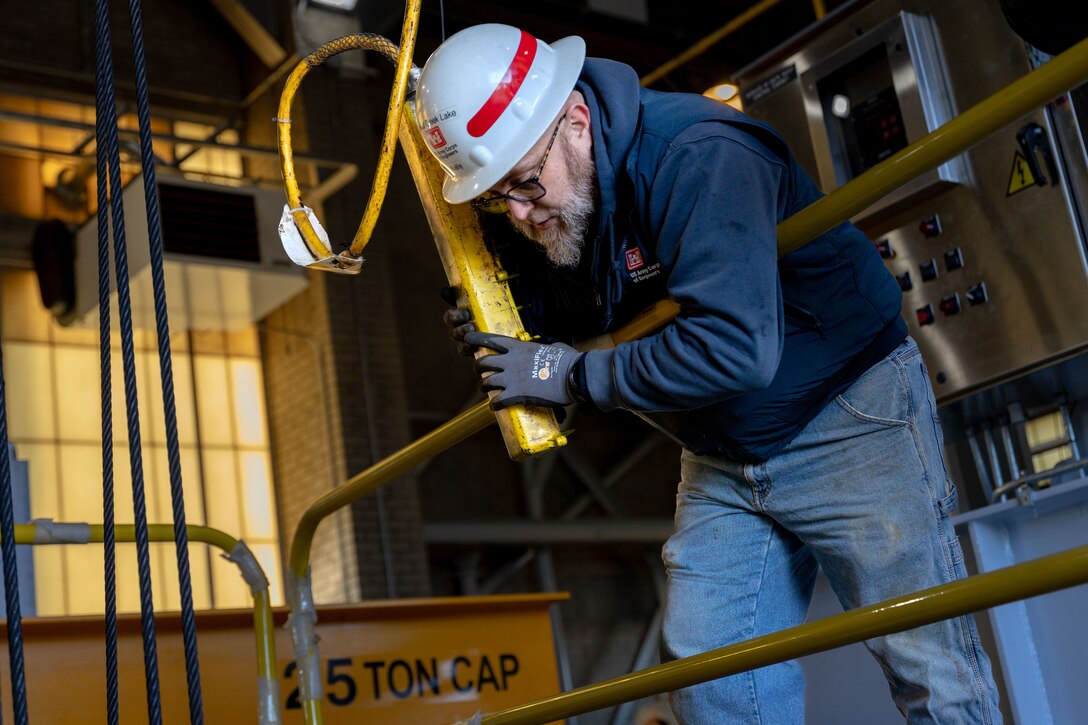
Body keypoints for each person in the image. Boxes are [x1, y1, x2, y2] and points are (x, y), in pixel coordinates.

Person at [416, 23, 1001, 724]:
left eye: (524, 184)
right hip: (725, 451)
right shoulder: (569, 192)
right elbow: (588, 293)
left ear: (574, 121)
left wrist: (573, 377)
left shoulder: (698, 154)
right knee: (713, 678)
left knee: (930, 670)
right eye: (496, 199)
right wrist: (513, 314)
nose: (517, 210)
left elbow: (733, 347)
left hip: (846, 417)